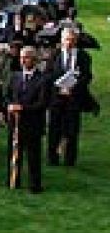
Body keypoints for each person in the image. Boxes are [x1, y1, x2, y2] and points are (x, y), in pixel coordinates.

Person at [5, 46, 50, 193]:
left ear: (35, 60)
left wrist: (22, 108)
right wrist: (10, 106)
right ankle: (13, 180)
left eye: (27, 58)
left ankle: (35, 185)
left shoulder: (42, 79)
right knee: (13, 153)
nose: (23, 61)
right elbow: (7, 96)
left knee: (33, 156)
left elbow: (42, 103)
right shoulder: (14, 77)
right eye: (21, 58)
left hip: (33, 123)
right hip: (15, 122)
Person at [47, 27, 93, 167]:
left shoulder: (84, 57)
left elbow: (87, 76)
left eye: (72, 40)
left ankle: (70, 160)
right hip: (56, 99)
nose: (69, 43)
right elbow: (48, 75)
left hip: (74, 99)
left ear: (76, 41)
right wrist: (59, 88)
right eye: (67, 40)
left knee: (72, 130)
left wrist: (74, 87)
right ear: (62, 40)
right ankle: (52, 158)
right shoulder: (54, 55)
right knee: (54, 129)